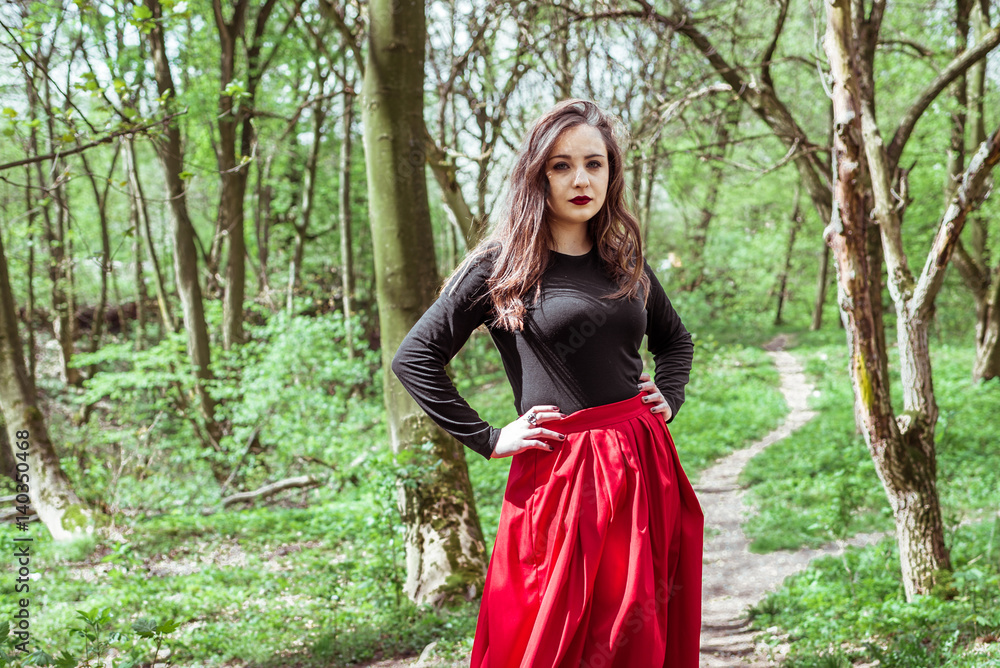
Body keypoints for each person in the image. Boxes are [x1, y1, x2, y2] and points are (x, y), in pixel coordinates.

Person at [390, 98, 703, 667]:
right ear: (537, 175)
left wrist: (670, 393)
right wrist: (489, 438)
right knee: (548, 636)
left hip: (640, 462)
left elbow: (674, 340)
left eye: (594, 163)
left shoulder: (624, 259)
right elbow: (415, 358)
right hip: (560, 474)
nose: (581, 179)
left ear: (612, 172)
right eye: (561, 165)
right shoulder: (500, 266)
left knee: (631, 635)